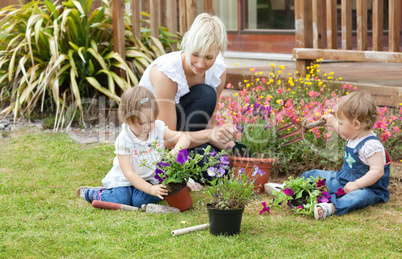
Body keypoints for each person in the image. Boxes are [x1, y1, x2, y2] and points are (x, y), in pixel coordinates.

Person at [76, 86, 236, 208]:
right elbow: (130, 173)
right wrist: (151, 189)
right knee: (120, 199)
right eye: (141, 123)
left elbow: (184, 137)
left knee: (141, 200)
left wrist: (175, 151)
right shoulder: (124, 139)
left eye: (151, 120)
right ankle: (93, 193)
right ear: (127, 119)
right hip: (123, 181)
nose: (147, 127)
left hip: (150, 179)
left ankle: (141, 194)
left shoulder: (157, 128)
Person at [138, 13, 230, 189]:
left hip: (188, 139)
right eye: (195, 54)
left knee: (220, 169)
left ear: (217, 53)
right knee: (205, 93)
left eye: (209, 57)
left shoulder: (217, 70)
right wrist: (209, 136)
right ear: (187, 44)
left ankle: (191, 162)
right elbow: (167, 139)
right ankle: (177, 169)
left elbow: (209, 124)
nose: (201, 64)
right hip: (155, 141)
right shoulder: (166, 73)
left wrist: (228, 143)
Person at [301, 90, 391, 220]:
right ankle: (293, 188)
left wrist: (356, 185)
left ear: (356, 124)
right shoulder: (355, 135)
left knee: (358, 198)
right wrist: (332, 122)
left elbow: (377, 171)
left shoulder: (372, 146)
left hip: (367, 188)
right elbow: (344, 133)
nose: (339, 126)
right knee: (315, 175)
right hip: (343, 180)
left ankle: (331, 207)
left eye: (341, 123)